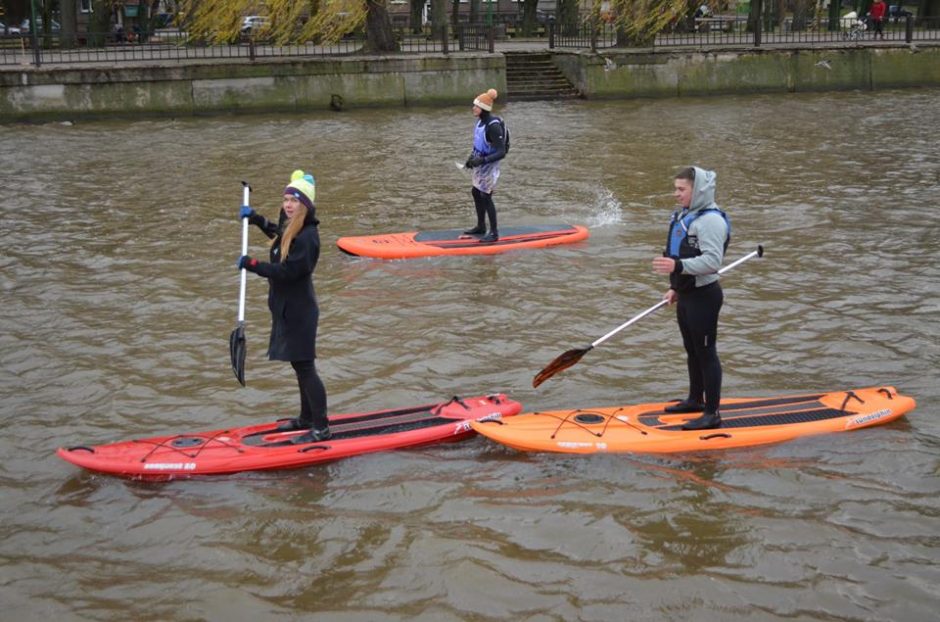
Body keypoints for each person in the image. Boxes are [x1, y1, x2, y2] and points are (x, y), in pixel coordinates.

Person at [237, 170, 330, 443]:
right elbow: (278, 234)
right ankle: (305, 418)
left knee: (305, 367)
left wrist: (254, 266)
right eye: (286, 198)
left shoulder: (308, 237)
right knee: (297, 365)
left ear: (305, 205)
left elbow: (289, 272)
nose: (288, 204)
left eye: (294, 200)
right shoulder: (292, 226)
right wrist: (257, 220)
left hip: (300, 311)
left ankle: (321, 427)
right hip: (286, 307)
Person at [651, 166, 730, 431]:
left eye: (681, 189)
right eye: (676, 188)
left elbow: (712, 261)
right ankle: (696, 400)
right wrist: (676, 287)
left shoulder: (710, 221)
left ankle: (712, 413)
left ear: (698, 191)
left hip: (704, 297)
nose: (676, 194)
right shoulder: (687, 216)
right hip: (687, 295)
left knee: (706, 354)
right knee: (692, 351)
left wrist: (677, 268)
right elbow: (685, 256)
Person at [463, 88, 508, 242]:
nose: (473, 108)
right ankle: (481, 226)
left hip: (490, 165)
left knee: (485, 196)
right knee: (476, 192)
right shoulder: (480, 122)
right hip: (480, 163)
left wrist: (481, 161)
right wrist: (471, 159)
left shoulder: (493, 126)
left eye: (476, 106)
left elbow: (501, 152)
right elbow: (478, 145)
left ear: (483, 108)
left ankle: (494, 233)